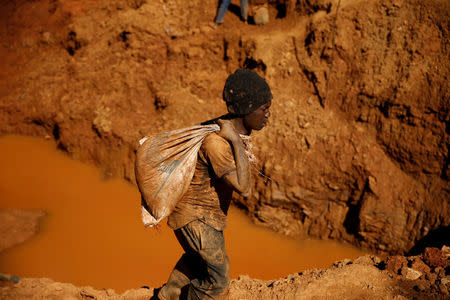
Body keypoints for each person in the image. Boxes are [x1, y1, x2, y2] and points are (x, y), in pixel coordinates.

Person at [156, 69, 273, 300]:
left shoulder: (229, 128)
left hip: (204, 214)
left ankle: (168, 294)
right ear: (245, 111)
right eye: (264, 109)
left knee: (198, 261)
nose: (268, 114)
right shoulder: (218, 144)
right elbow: (245, 188)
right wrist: (235, 142)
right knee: (218, 280)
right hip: (195, 217)